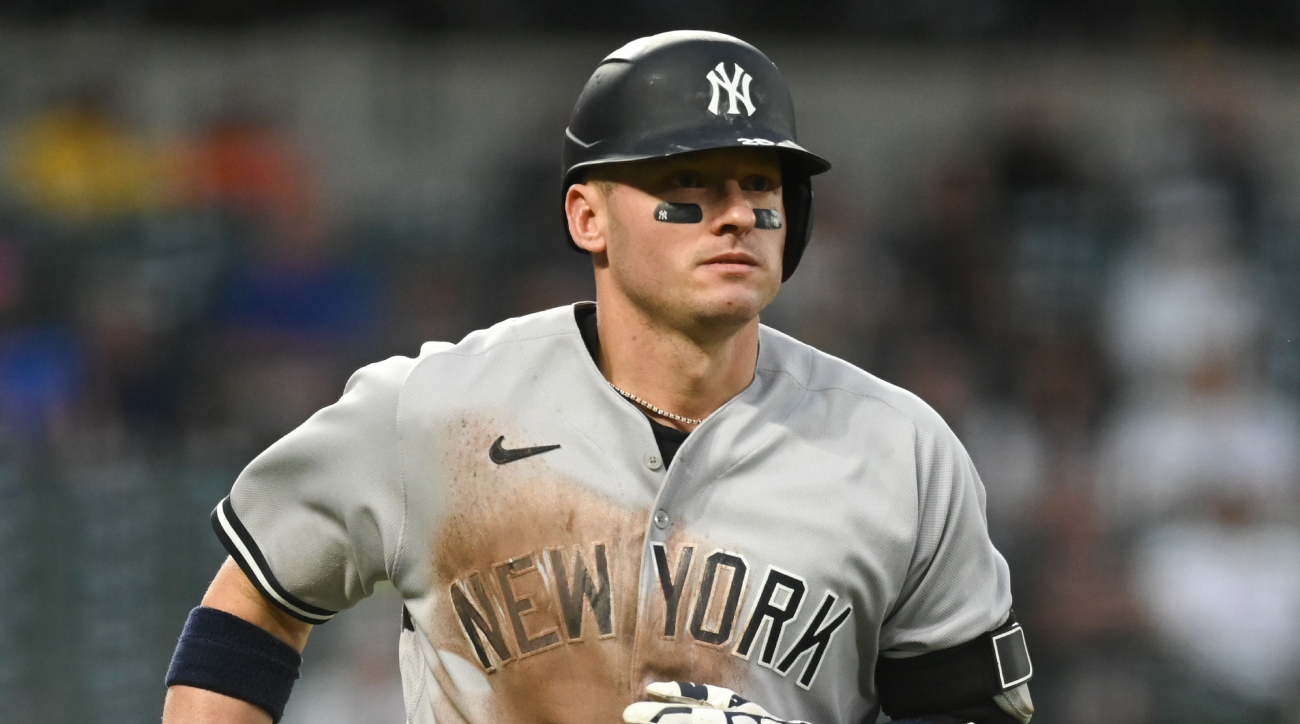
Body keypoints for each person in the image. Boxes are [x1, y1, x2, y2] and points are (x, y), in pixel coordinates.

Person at [161, 30, 1034, 724]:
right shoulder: (434, 412)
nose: (734, 215)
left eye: (760, 185)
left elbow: (969, 713)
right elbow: (252, 606)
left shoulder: (899, 449)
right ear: (589, 216)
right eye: (686, 185)